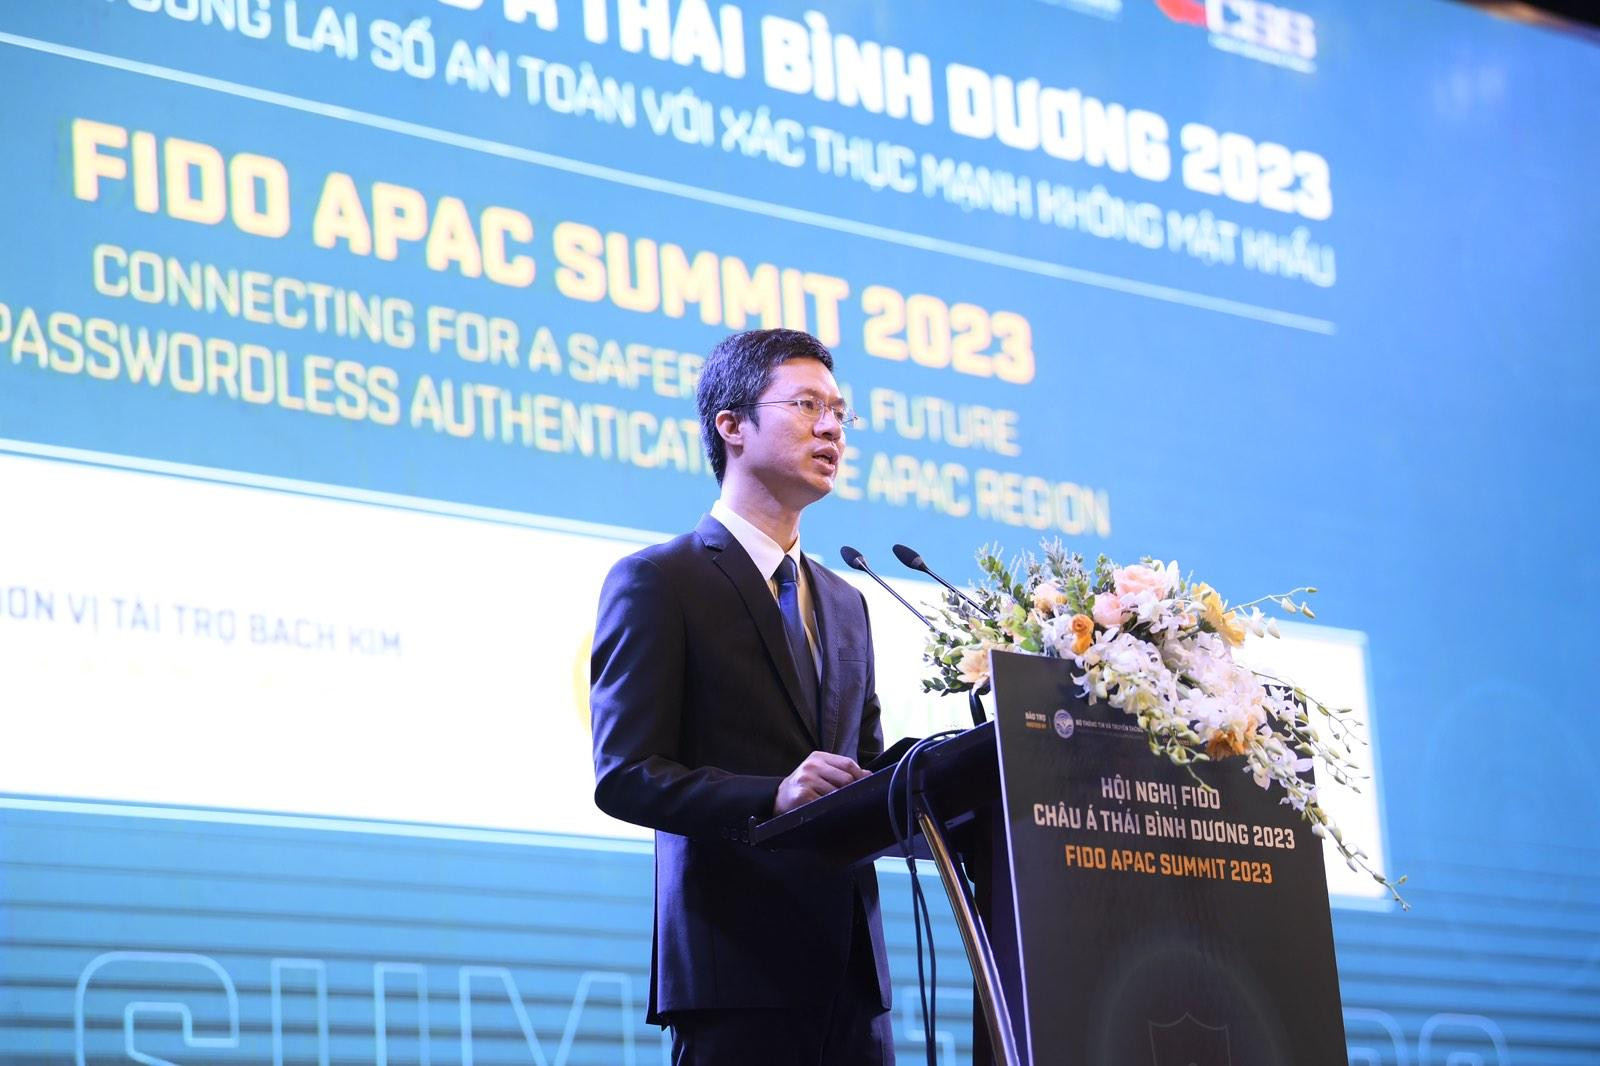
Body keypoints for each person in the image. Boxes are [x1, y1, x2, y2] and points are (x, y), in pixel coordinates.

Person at [590, 328, 895, 1064]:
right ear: (731, 425)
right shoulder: (661, 580)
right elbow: (626, 774)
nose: (831, 428)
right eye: (806, 405)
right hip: (734, 974)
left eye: (840, 412)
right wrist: (773, 795)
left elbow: (866, 770)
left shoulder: (847, 600)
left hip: (853, 984)